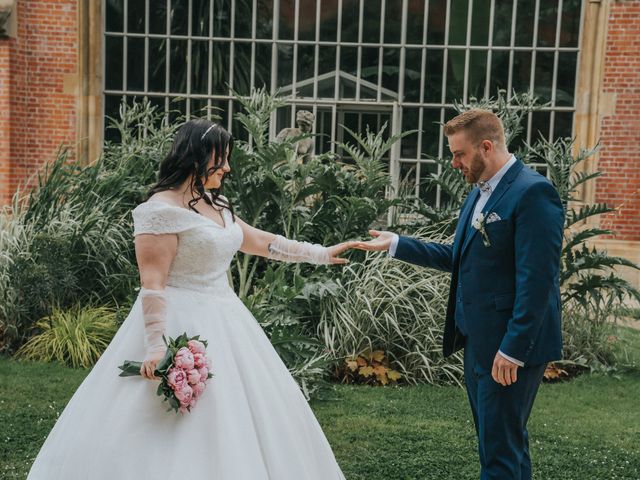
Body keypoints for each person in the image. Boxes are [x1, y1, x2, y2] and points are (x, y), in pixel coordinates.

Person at [27, 119, 352, 479]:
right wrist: (155, 347)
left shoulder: (218, 203)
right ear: (196, 157)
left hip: (229, 321)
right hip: (178, 321)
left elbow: (260, 242)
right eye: (221, 159)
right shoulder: (159, 211)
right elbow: (153, 284)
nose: (227, 167)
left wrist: (320, 253)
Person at [355, 109, 564, 480]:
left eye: (459, 154)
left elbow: (538, 282)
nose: (454, 163)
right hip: (478, 341)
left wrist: (513, 350)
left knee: (499, 455)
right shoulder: (479, 194)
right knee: (501, 444)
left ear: (486, 146)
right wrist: (397, 243)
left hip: (508, 348)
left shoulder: (533, 192)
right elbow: (458, 256)